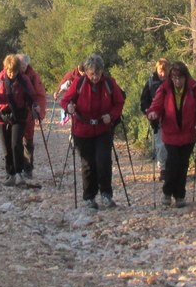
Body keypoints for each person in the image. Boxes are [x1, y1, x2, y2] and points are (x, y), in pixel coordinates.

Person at [61, 54, 124, 210]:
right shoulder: (79, 83)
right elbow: (65, 100)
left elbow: (119, 102)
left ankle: (106, 195)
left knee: (103, 161)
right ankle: (89, 197)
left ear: (102, 71)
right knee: (88, 164)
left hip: (103, 129)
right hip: (82, 130)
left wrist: (112, 115)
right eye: (92, 74)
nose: (95, 77)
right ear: (86, 72)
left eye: (97, 73)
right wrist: (69, 107)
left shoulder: (109, 83)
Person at [145, 60, 196, 209]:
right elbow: (156, 105)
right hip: (170, 134)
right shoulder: (165, 88)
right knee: (172, 163)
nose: (176, 81)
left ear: (185, 77)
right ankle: (168, 193)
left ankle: (180, 195)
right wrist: (153, 113)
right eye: (174, 78)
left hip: (189, 133)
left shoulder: (194, 88)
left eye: (179, 78)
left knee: (183, 165)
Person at [0, 54, 38, 186]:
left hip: (19, 116)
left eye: (14, 71)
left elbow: (32, 95)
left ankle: (18, 173)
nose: (12, 74)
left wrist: (34, 105)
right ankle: (10, 173)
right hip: (1, 116)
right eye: (9, 70)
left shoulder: (24, 79)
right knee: (6, 147)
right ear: (5, 68)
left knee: (16, 144)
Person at [17, 53, 46, 179]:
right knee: (15, 141)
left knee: (28, 140)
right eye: (19, 64)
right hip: (14, 113)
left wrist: (40, 112)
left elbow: (40, 95)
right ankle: (17, 168)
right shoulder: (9, 72)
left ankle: (28, 168)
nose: (21, 67)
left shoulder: (33, 76)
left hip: (28, 113)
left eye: (23, 65)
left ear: (27, 64)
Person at [139, 58, 169, 180]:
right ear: (157, 69)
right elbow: (144, 100)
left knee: (171, 144)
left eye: (165, 71)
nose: (162, 74)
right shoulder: (151, 82)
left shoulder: (174, 80)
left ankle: (170, 168)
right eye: (161, 71)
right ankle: (163, 169)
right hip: (157, 119)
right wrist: (148, 111)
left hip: (171, 117)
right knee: (161, 145)